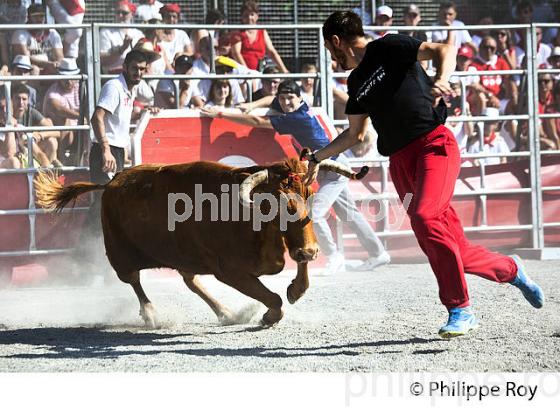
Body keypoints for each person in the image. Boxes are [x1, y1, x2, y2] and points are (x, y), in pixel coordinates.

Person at [305, 10, 544, 338]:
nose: (332, 59)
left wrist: (443, 79)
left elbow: (444, 50)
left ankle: (460, 308)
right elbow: (354, 135)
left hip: (434, 146)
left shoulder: (388, 46)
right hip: (401, 162)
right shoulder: (356, 82)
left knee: (424, 217)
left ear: (336, 42)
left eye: (330, 51)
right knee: (448, 245)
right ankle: (512, 270)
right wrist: (317, 157)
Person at [202, 80, 390, 275]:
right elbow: (271, 98)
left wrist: (220, 114)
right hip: (332, 166)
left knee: (313, 214)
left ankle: (335, 257)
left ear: (300, 98)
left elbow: (259, 122)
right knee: (349, 214)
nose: (285, 102)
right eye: (282, 98)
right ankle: (378, 254)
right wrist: (253, 105)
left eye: (290, 98)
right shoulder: (298, 107)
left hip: (332, 169)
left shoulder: (297, 117)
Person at [75, 49, 158, 284]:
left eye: (142, 69)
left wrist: (143, 112)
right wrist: (105, 148)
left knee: (109, 206)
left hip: (115, 150)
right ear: (125, 67)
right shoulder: (114, 86)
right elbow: (97, 117)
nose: (139, 73)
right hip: (108, 150)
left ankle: (92, 262)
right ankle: (85, 261)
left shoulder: (127, 90)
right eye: (135, 68)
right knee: (103, 206)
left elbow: (115, 119)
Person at [230, 1, 289, 73]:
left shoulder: (262, 31)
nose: (249, 18)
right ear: (241, 17)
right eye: (246, 15)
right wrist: (247, 72)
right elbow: (236, 53)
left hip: (260, 72)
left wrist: (284, 70)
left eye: (252, 14)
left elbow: (272, 52)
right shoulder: (237, 33)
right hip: (242, 74)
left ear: (257, 16)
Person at [42, 57, 81, 164]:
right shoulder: (53, 92)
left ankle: (83, 159)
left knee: (89, 122)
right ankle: (61, 159)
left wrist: (84, 117)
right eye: (65, 77)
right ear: (59, 77)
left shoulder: (81, 88)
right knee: (63, 119)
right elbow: (58, 109)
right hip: (60, 134)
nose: (69, 81)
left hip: (79, 131)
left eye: (72, 77)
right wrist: (81, 116)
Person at [11, 3, 64, 75]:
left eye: (41, 16)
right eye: (35, 16)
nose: (39, 19)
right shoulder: (20, 33)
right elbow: (25, 59)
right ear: (28, 17)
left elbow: (60, 57)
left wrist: (55, 65)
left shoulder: (52, 33)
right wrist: (47, 64)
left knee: (61, 71)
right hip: (28, 68)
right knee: (34, 70)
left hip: (49, 67)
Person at [99, 1, 145, 74]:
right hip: (114, 76)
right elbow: (103, 61)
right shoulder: (106, 32)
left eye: (124, 13)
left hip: (135, 74)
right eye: (118, 12)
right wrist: (122, 48)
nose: (120, 16)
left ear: (131, 14)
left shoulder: (138, 34)